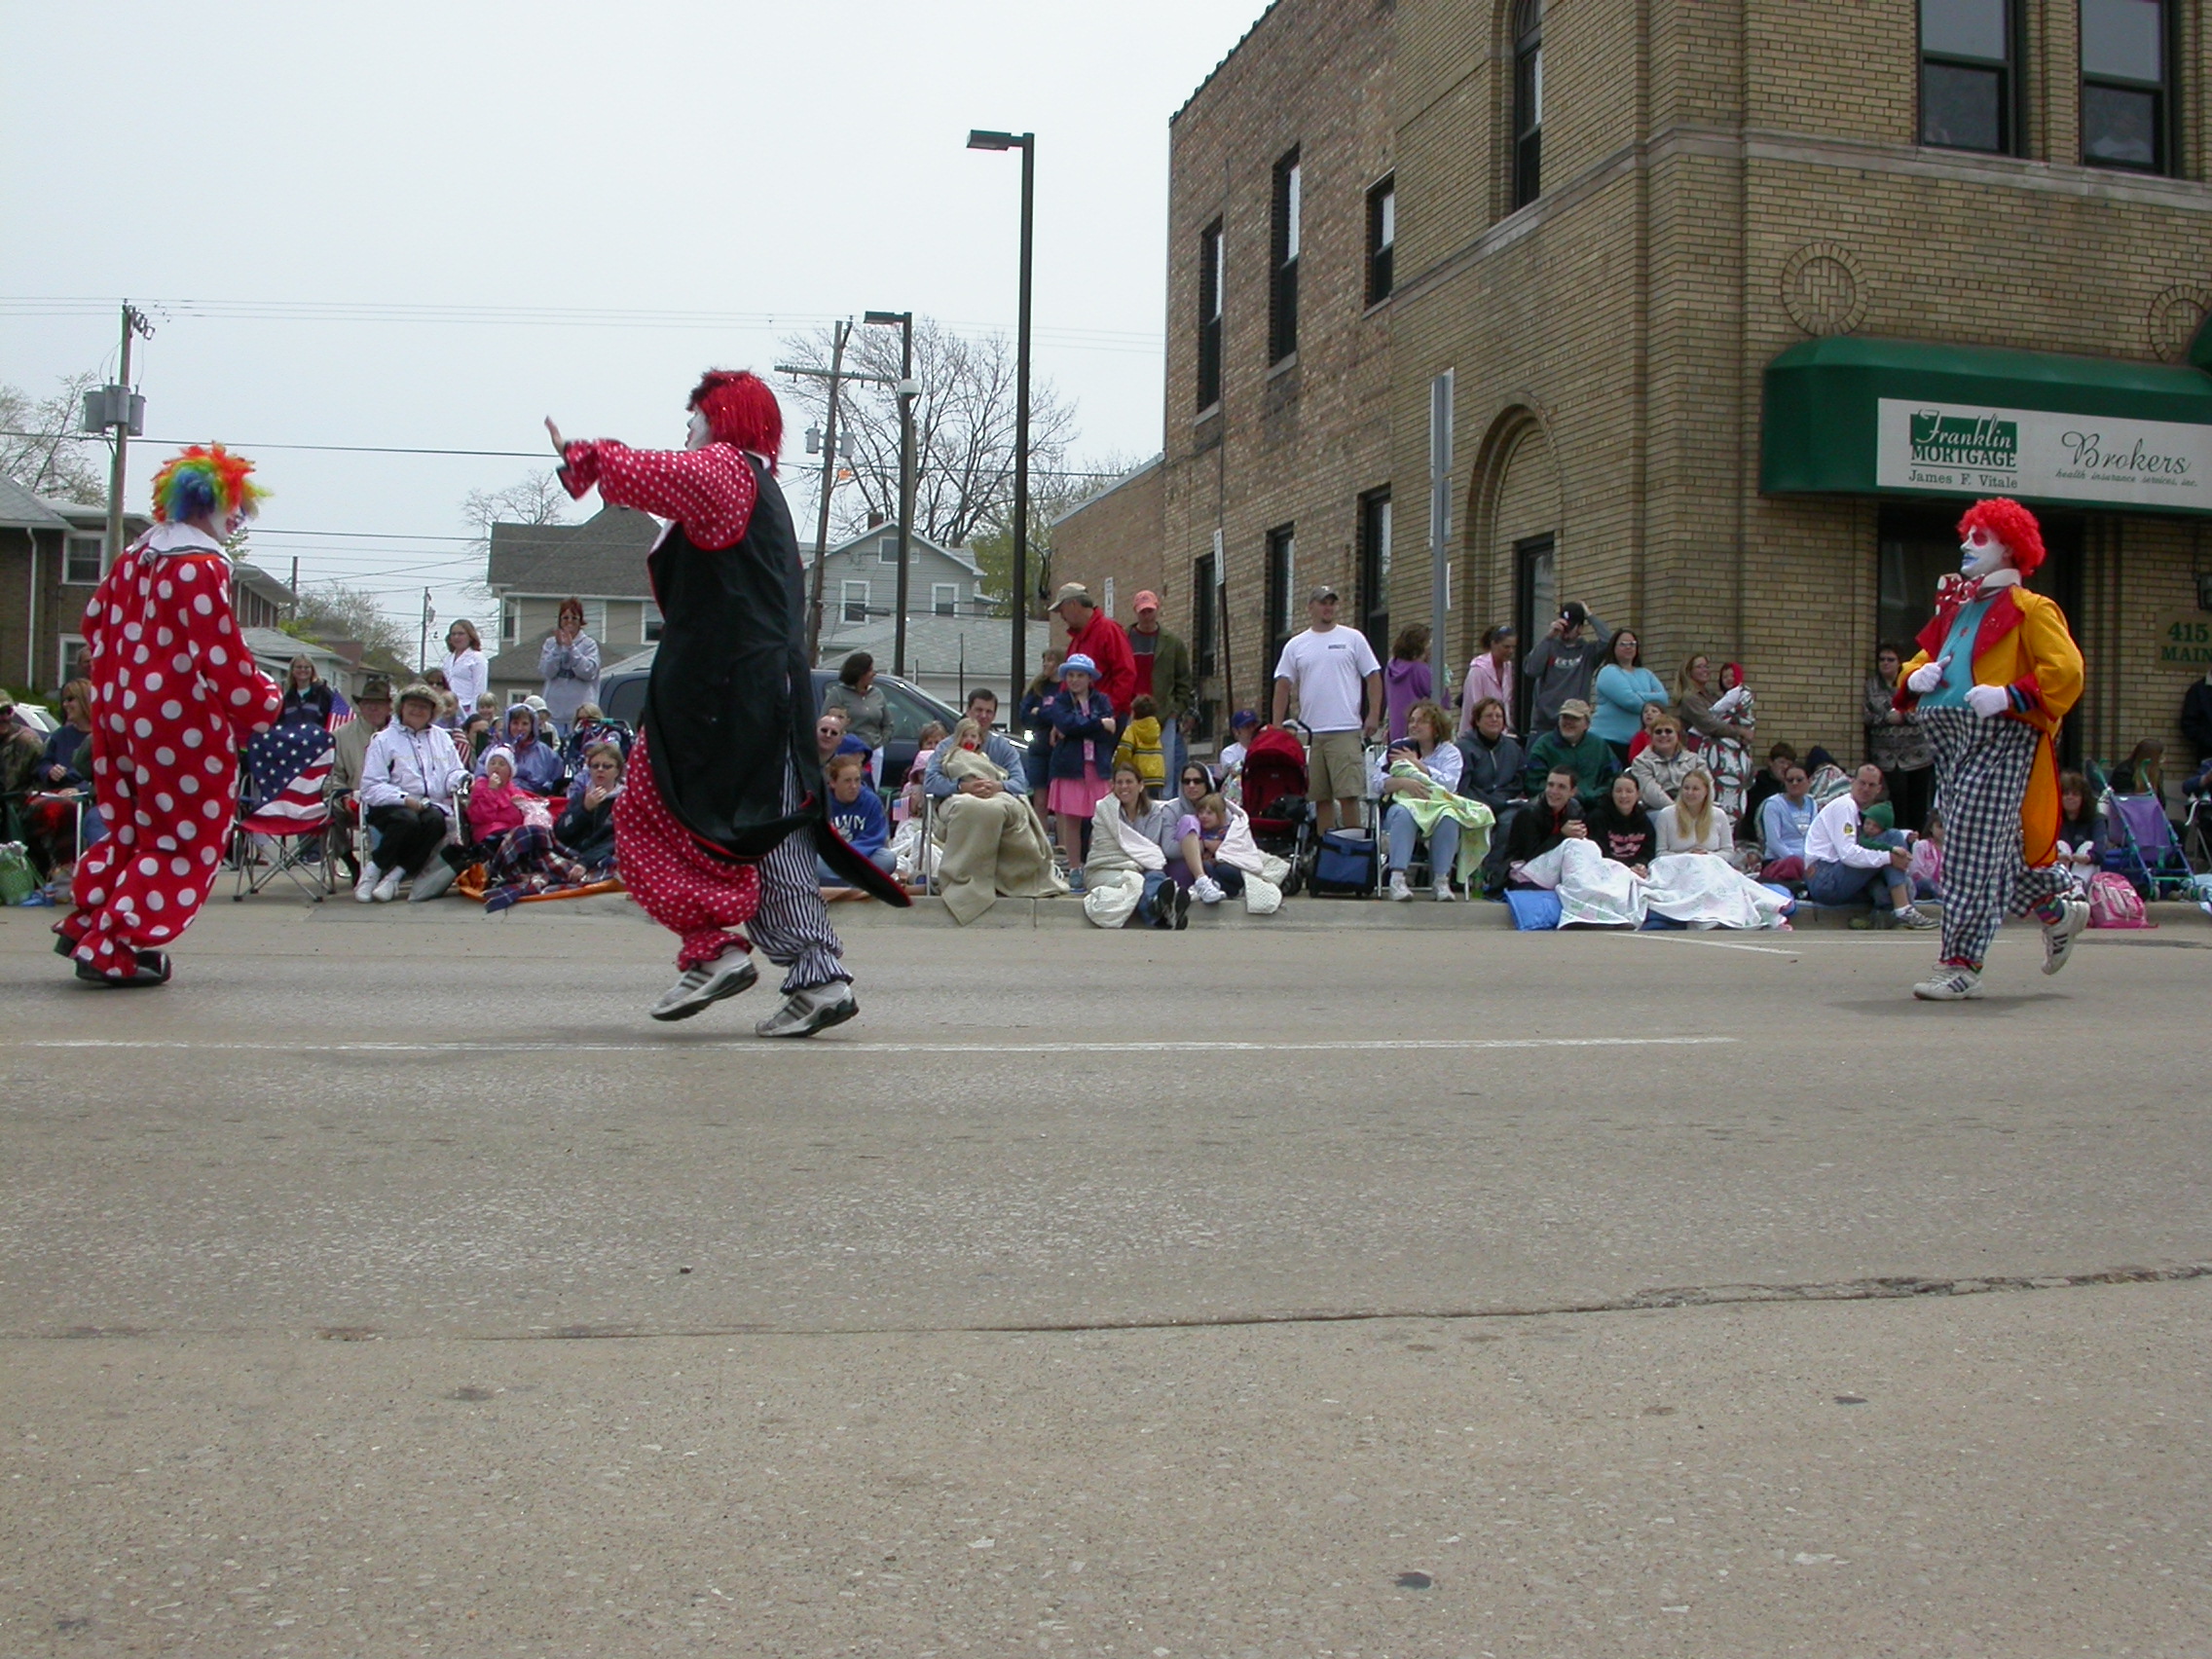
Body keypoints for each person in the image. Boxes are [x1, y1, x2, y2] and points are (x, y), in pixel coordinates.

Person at [550, 368, 904, 1032]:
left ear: (725, 421)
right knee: (767, 834)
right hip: (748, 690)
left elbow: (665, 474)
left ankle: (715, 947)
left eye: (697, 417)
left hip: (723, 694)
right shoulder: (753, 488)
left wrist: (594, 458)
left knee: (650, 817)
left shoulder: (727, 471)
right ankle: (815, 977)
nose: (688, 430)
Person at [55, 446, 281, 986]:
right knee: (184, 832)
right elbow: (218, 652)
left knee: (132, 826)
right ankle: (115, 942)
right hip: (177, 721)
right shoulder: (199, 566)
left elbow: (93, 622)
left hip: (120, 712)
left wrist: (124, 679)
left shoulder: (136, 557)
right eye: (234, 507)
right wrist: (264, 700)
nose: (238, 518)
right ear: (209, 503)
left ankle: (89, 920)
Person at [1894, 498, 2088, 999]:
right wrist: (1915, 677)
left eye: (1979, 537)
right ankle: (2057, 909)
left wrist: (2011, 696)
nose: (1966, 543)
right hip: (1951, 744)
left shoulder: (2032, 608)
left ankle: (1961, 964)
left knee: (1967, 853)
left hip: (2000, 741)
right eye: (1967, 534)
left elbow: (2066, 671)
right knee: (1986, 847)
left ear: (2010, 548)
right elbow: (1922, 660)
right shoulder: (1958, 608)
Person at [927, 715, 1064, 923]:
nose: (982, 716)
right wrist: (962, 786)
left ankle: (1016, 878)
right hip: (959, 795)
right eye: (978, 710)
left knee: (1003, 808)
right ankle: (966, 884)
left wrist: (997, 786)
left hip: (996, 793)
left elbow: (1019, 782)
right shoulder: (947, 750)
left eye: (988, 712)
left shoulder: (1002, 748)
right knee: (970, 807)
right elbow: (931, 782)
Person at [1272, 583, 1382, 832]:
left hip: (1345, 729)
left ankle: (1352, 845)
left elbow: (1373, 675)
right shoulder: (1296, 645)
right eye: (1323, 602)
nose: (1328, 607)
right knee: (1319, 796)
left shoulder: (1353, 638)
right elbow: (1283, 684)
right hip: (1311, 733)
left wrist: (1374, 714)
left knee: (1348, 794)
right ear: (1310, 607)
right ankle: (1326, 845)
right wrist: (1277, 725)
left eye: (1332, 602)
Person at [357, 682, 470, 903]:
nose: (417, 710)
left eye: (423, 707)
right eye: (412, 705)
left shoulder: (442, 738)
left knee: (435, 821)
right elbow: (371, 786)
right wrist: (404, 799)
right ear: (401, 708)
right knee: (407, 820)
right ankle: (373, 870)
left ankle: (395, 876)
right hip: (390, 804)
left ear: (432, 712)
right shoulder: (383, 739)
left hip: (431, 804)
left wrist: (461, 779)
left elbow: (453, 771)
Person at [1377, 700, 1489, 901]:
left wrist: (1418, 765)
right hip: (1403, 805)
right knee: (1405, 813)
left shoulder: (1450, 753)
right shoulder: (1398, 748)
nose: (1414, 725)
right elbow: (1375, 782)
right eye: (1412, 721)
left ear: (1436, 728)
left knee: (1449, 816)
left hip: (1437, 807)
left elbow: (1449, 785)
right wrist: (1403, 782)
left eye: (1421, 721)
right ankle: (1397, 879)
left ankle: (1441, 881)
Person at [1803, 763, 1934, 928]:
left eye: (1871, 785)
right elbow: (1848, 854)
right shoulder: (1845, 806)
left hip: (1832, 877)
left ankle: (1883, 915)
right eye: (1862, 783)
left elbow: (1866, 845)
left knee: (1886, 871)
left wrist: (1903, 840)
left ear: (1878, 789)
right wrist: (1889, 857)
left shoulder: (1857, 811)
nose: (1866, 789)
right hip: (1825, 878)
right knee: (1892, 837)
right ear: (1852, 782)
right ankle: (1903, 909)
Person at [1083, 761, 1187, 930]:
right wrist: (1132, 862)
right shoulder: (1104, 809)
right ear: (1113, 785)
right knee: (1135, 882)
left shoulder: (1153, 811)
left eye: (1129, 782)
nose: (1124, 786)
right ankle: (1161, 909)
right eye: (1119, 782)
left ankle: (1160, 908)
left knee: (1154, 875)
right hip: (1107, 866)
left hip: (1142, 864)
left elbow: (1148, 848)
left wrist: (1136, 861)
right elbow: (1103, 845)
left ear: (1140, 785)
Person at [1040, 652, 1119, 873]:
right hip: (1070, 767)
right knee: (1072, 821)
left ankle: (1095, 866)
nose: (1074, 680)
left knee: (1099, 820)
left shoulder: (1101, 700)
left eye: (1080, 675)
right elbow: (1067, 724)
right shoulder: (1061, 701)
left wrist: (1081, 726)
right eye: (1071, 675)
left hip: (1097, 766)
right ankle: (1075, 868)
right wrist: (1099, 723)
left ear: (1089, 678)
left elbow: (1107, 733)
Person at [1864, 642, 1934, 833]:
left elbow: (1925, 710)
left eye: (1890, 659)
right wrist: (1885, 718)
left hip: (1917, 754)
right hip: (1886, 756)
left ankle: (1916, 840)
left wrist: (1904, 717)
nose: (1885, 663)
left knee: (1917, 803)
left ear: (1899, 662)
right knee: (1896, 801)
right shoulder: (1870, 686)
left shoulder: (1911, 683)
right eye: (1882, 660)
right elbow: (1866, 716)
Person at [1128, 591, 1196, 787]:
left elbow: (1184, 680)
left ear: (1157, 609)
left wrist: (1176, 710)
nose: (1146, 616)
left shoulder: (1173, 642)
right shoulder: (1124, 638)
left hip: (1163, 715)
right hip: (1131, 713)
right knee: (1130, 766)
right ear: (1135, 611)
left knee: (1165, 770)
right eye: (1142, 611)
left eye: (1150, 611)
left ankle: (1163, 804)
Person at [1049, 584, 1136, 718]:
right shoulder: (1077, 639)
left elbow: (1126, 674)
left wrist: (1108, 711)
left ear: (1073, 604)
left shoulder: (1108, 631)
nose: (1062, 616)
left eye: (1062, 610)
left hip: (1107, 719)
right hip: (1082, 719)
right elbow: (1067, 684)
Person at [1524, 602, 1608, 733]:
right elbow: (1531, 670)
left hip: (1575, 722)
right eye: (1563, 626)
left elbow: (1608, 641)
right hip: (1545, 725)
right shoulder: (1549, 646)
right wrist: (1548, 638)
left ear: (1580, 629)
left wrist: (1590, 616)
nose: (1565, 631)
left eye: (1570, 627)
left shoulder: (1588, 652)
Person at [1522, 698, 1615, 806]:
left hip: (1593, 805)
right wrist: (1563, 793)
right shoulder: (1543, 746)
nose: (1568, 722)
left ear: (1587, 724)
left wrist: (1594, 795)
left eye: (1575, 718)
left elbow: (1613, 777)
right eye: (1565, 717)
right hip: (1552, 805)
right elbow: (1533, 783)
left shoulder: (1599, 745)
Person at [1503, 767, 1587, 886]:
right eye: (1550, 785)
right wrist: (1562, 835)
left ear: (1572, 792)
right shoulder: (1530, 812)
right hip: (1523, 871)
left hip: (1558, 868)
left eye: (1561, 787)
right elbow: (1530, 857)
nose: (1554, 791)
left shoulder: (1575, 809)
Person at [1591, 628, 1666, 761]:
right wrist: (1649, 696)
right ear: (1613, 647)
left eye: (1632, 644)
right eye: (1623, 644)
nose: (1628, 647)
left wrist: (1637, 695)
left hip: (1637, 743)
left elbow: (1663, 700)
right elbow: (1631, 702)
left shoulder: (1646, 673)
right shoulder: (1608, 672)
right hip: (1608, 742)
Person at [818, 752, 893, 882]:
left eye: (857, 780)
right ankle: (857, 883)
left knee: (887, 859)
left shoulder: (871, 801)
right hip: (831, 857)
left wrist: (849, 854)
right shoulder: (821, 801)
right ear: (833, 783)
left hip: (861, 856)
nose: (853, 786)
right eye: (847, 781)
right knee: (814, 862)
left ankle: (842, 882)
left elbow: (875, 838)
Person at [555, 742, 623, 872]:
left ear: (618, 771)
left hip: (601, 857)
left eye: (607, 766)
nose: (600, 770)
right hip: (571, 853)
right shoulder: (580, 796)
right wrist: (584, 809)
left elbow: (615, 841)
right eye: (595, 766)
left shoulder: (623, 801)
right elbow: (560, 833)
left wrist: (585, 863)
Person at [536, 598, 601, 735]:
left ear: (580, 621)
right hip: (554, 715)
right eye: (565, 618)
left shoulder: (589, 645)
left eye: (574, 618)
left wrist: (571, 648)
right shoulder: (550, 644)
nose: (569, 622)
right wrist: (558, 648)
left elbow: (588, 672)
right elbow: (547, 672)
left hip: (580, 716)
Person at [1676, 653, 1753, 748]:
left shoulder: (1712, 695)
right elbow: (1708, 725)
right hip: (1700, 750)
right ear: (1689, 672)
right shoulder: (1690, 697)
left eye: (1706, 666)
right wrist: (1740, 731)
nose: (1705, 670)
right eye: (1699, 667)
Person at [1757, 762, 1819, 883]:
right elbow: (1773, 842)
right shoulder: (1773, 805)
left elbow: (1814, 836)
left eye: (1799, 780)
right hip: (1780, 861)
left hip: (1807, 861)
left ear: (1809, 781)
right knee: (1793, 863)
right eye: (1790, 780)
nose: (1794, 783)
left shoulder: (1813, 803)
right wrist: (1797, 861)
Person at [486, 701, 565, 793]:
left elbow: (557, 778)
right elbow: (481, 777)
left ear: (532, 727)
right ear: (508, 725)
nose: (519, 728)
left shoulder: (545, 752)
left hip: (535, 798)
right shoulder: (494, 750)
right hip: (500, 797)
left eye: (525, 724)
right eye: (515, 723)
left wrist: (545, 789)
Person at [1586, 773, 1657, 874]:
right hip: (1606, 871)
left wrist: (1641, 864)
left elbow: (1648, 851)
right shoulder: (1597, 818)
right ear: (1612, 793)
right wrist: (1625, 869)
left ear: (1638, 794)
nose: (1623, 795)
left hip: (1635, 872)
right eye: (1618, 791)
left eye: (1629, 791)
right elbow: (1597, 853)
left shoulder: (1643, 820)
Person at [1625, 715, 1697, 811]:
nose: (1663, 735)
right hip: (1657, 810)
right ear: (1651, 737)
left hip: (1693, 808)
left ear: (1678, 736)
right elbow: (1651, 793)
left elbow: (1706, 787)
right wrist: (1677, 811)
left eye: (1668, 731)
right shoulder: (1641, 762)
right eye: (1658, 732)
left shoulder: (1694, 759)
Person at [822, 652, 890, 754]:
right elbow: (825, 723)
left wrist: (881, 743)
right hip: (849, 752)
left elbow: (888, 724)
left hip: (874, 751)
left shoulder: (877, 694)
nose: (874, 673)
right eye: (870, 670)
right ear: (859, 673)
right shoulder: (838, 694)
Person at [1018, 649, 1064, 796]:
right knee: (1039, 796)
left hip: (1060, 749)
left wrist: (1039, 712)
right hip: (1039, 747)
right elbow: (1024, 716)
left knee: (1057, 795)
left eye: (1050, 660)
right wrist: (1048, 717)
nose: (1045, 664)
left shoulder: (1066, 688)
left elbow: (1063, 716)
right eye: (1044, 660)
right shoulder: (1037, 687)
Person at [1458, 624, 1516, 736]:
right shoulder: (1478, 670)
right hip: (1475, 735)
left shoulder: (1507, 668)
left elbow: (1506, 702)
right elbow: (1474, 705)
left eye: (1513, 647)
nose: (1511, 651)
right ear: (1493, 644)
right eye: (1506, 647)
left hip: (1499, 733)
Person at [1382, 623, 1433, 745]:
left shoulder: (1391, 668)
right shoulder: (1420, 670)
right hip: (1420, 733)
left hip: (1396, 732)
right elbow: (1441, 698)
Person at [1741, 741, 1799, 840]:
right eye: (1781, 762)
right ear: (1770, 762)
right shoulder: (1758, 784)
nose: (1785, 767)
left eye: (1789, 764)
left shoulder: (1789, 787)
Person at [1114, 693, 1167, 794]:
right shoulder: (1155, 729)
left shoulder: (1132, 730)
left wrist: (1119, 767)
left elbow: (1124, 751)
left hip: (1138, 777)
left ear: (1134, 712)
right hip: (1157, 777)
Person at [2054, 771, 2097, 895]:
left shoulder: (2096, 819)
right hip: (2061, 869)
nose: (2070, 797)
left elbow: (2100, 849)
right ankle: (2063, 888)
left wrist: (2087, 858)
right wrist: (2057, 856)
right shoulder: (2053, 819)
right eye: (2066, 794)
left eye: (2075, 794)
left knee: (2088, 846)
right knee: (2061, 845)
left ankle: (2077, 887)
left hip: (2086, 872)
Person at [440, 620, 489, 714]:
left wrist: (474, 713)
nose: (456, 637)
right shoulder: (448, 659)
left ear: (470, 636)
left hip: (467, 707)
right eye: (453, 634)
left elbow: (479, 688)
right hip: (448, 708)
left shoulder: (477, 657)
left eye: (461, 634)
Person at [279, 654, 336, 728]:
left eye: (306, 667)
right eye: (299, 667)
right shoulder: (288, 698)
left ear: (312, 670)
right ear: (292, 671)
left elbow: (337, 717)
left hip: (319, 735)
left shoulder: (324, 693)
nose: (303, 670)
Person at [1218, 709, 1261, 777]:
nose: (1252, 729)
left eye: (1254, 725)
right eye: (1247, 727)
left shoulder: (1266, 748)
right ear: (1236, 731)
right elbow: (1234, 772)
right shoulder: (1229, 752)